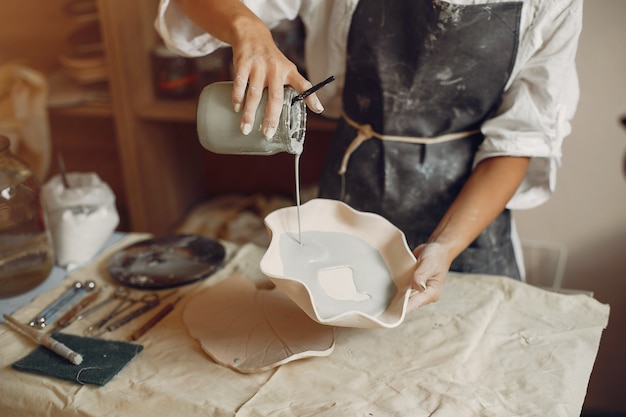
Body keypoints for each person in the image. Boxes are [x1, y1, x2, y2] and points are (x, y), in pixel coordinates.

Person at [155, 0, 583, 310]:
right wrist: (248, 29)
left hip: (468, 217)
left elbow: (520, 141)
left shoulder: (552, 5)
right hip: (353, 185)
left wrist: (445, 246)